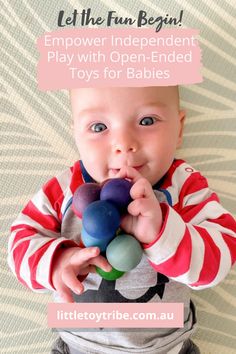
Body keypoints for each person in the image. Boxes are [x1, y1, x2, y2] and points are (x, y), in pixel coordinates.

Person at [8, 87, 236, 354]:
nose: (123, 143)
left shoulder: (184, 186)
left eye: (147, 121)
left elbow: (222, 255)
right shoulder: (65, 189)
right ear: (76, 135)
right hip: (78, 345)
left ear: (179, 129)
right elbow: (19, 241)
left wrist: (162, 233)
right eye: (98, 126)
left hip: (167, 348)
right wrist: (57, 262)